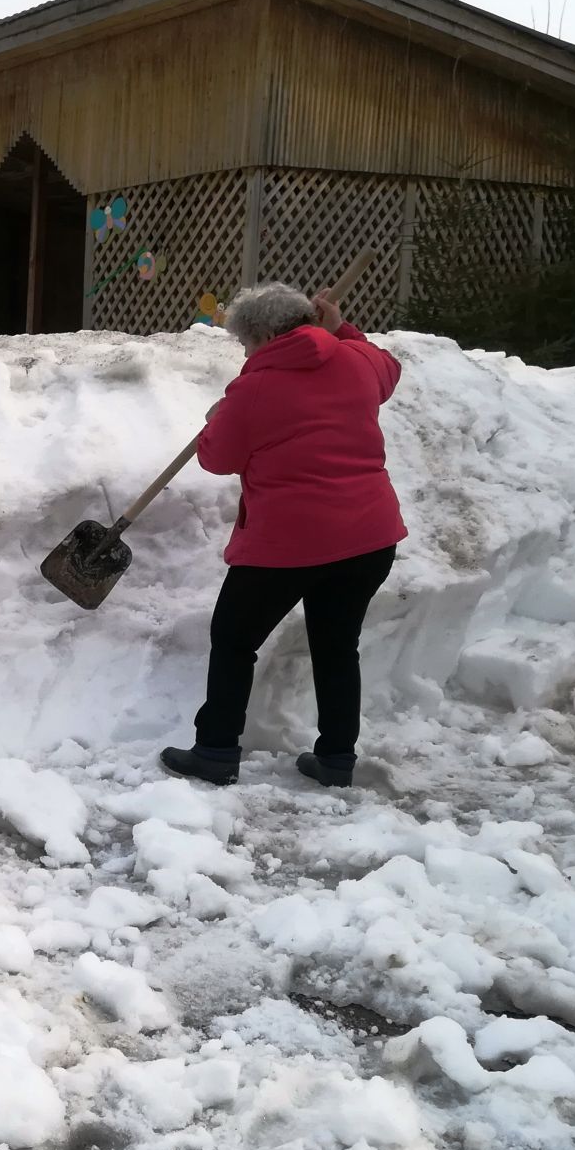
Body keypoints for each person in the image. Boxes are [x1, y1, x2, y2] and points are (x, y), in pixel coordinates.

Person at [160, 282, 405, 790]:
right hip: (368, 537)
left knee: (233, 640)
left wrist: (215, 422)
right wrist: (342, 329)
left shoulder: (254, 388)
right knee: (338, 646)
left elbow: (217, 458)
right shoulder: (358, 360)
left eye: (247, 343)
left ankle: (215, 751)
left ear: (268, 336)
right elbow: (389, 369)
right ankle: (336, 759)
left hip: (289, 545)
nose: (246, 353)